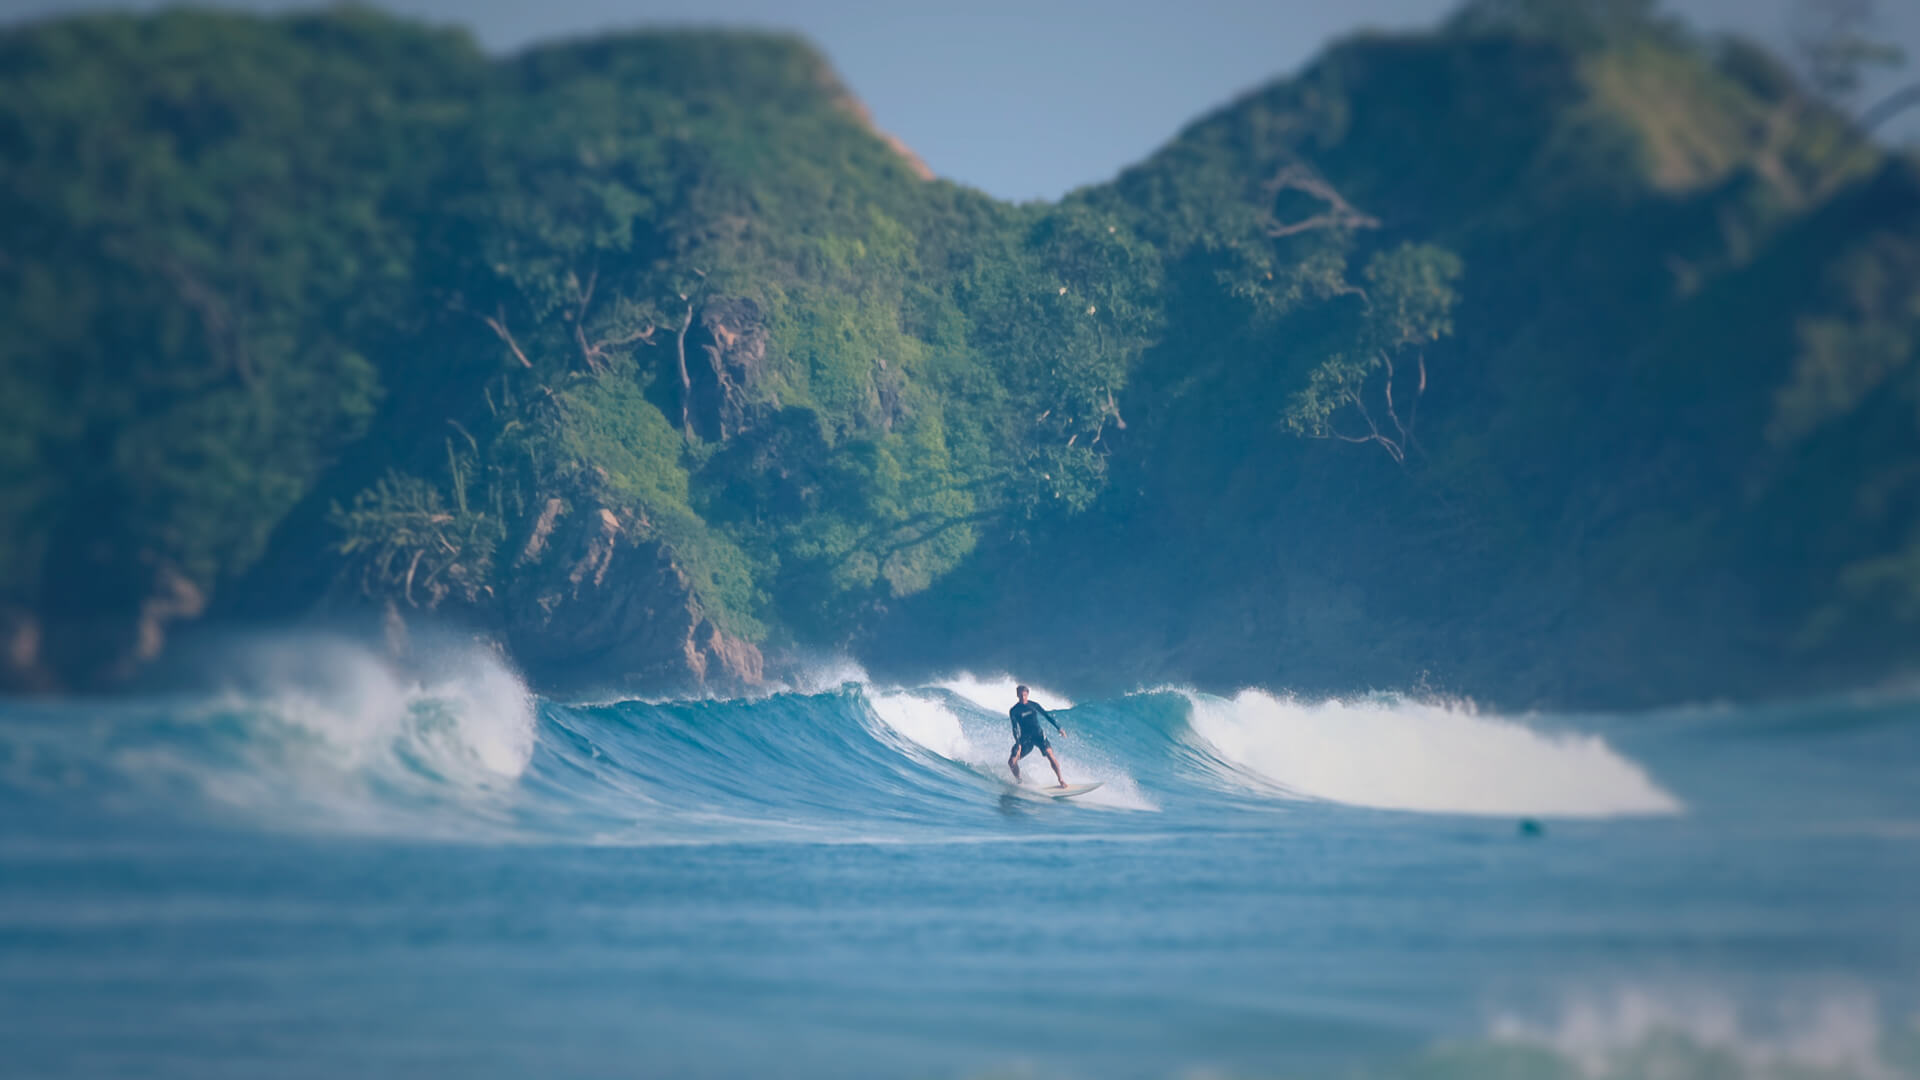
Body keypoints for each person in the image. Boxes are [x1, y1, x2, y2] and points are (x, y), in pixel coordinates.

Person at [1007, 684, 1068, 787]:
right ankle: (1019, 781)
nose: (1023, 697)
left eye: (1024, 695)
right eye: (1020, 695)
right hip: (1025, 739)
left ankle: (1061, 780)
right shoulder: (1014, 710)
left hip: (1039, 736)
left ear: (1028, 694)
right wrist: (1018, 743)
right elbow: (1014, 728)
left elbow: (1047, 716)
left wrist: (1059, 728)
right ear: (1017, 695)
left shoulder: (1034, 705)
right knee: (1012, 762)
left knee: (1050, 756)